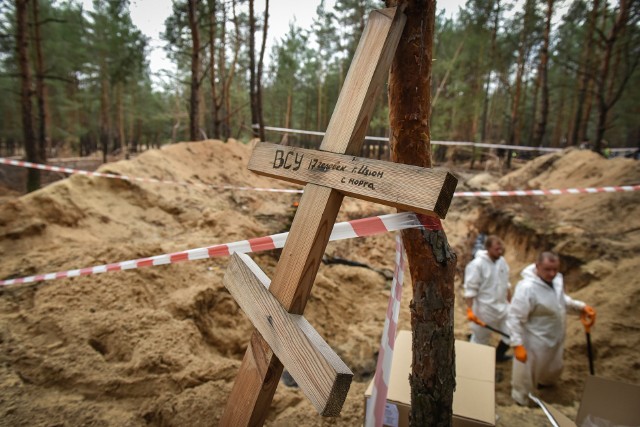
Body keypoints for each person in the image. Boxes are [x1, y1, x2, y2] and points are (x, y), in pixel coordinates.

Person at [507, 252, 596, 406]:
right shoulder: (527, 288)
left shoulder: (557, 280)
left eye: (555, 269)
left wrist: (581, 307)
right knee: (526, 374)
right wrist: (517, 344)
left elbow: (560, 300)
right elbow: (515, 316)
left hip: (554, 335)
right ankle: (521, 400)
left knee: (553, 366)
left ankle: (546, 383)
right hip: (534, 340)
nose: (552, 273)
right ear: (537, 266)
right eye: (547, 269)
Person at [463, 235, 512, 362]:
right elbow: (470, 291)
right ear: (488, 248)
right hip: (484, 311)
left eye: (501, 249)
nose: (500, 251)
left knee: (511, 333)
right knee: (480, 340)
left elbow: (506, 285)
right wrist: (470, 311)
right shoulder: (477, 265)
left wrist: (510, 303)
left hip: (502, 309)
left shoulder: (502, 262)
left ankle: (498, 356)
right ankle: (477, 363)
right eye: (497, 249)